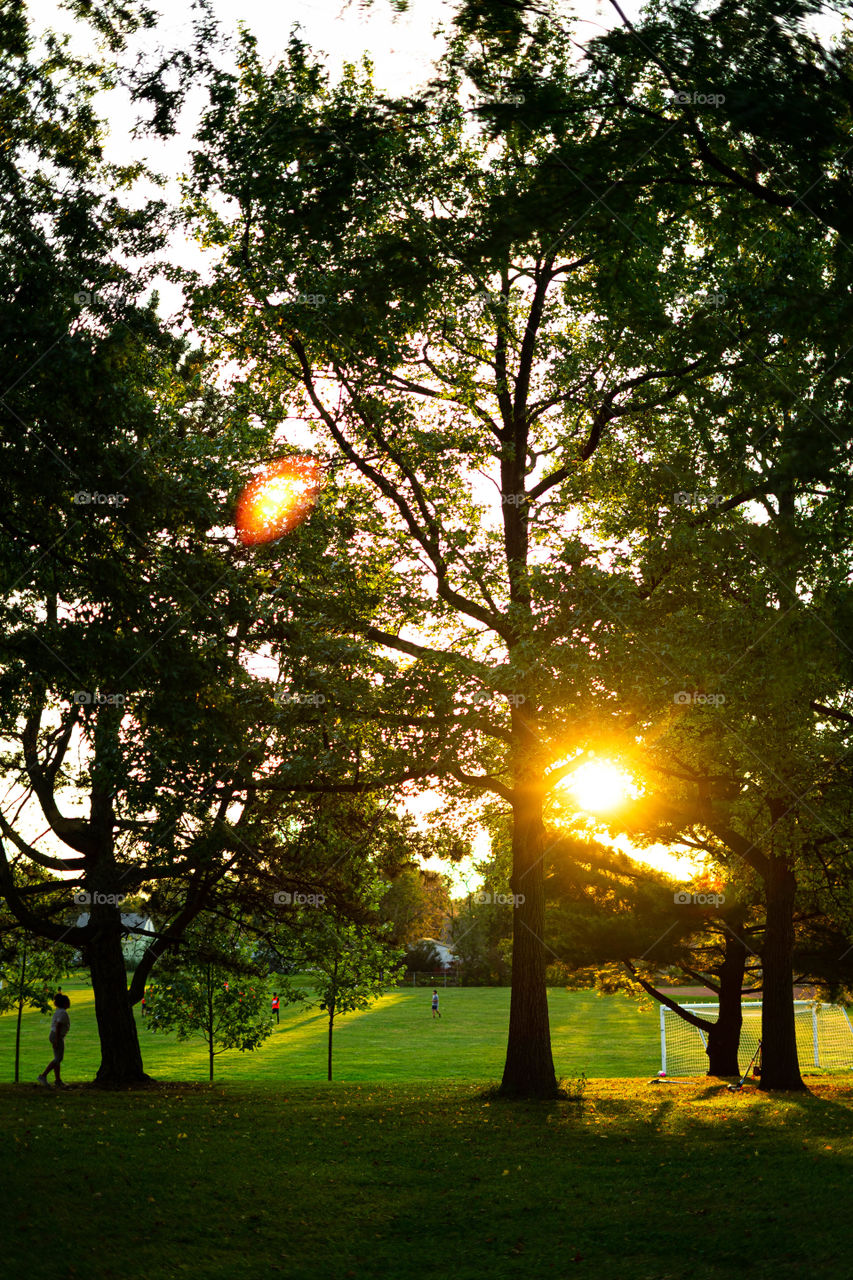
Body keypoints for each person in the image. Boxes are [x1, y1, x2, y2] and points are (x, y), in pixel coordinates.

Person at [37, 992, 71, 1088]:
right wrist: (56, 1040)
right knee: (58, 1058)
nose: (69, 1003)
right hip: (57, 1036)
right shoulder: (63, 1013)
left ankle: (58, 1080)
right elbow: (58, 1025)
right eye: (68, 1002)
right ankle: (43, 1076)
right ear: (64, 1003)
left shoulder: (59, 1011)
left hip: (55, 1035)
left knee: (57, 1058)